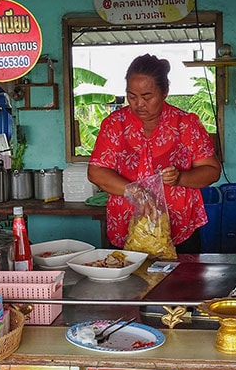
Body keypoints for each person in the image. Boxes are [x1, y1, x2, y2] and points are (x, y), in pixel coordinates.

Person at [88, 54, 222, 253]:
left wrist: (180, 177)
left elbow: (212, 171)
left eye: (147, 97)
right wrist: (134, 190)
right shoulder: (115, 124)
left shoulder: (186, 124)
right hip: (127, 229)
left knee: (180, 283)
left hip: (178, 231)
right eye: (132, 96)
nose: (138, 104)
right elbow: (96, 172)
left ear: (165, 92)